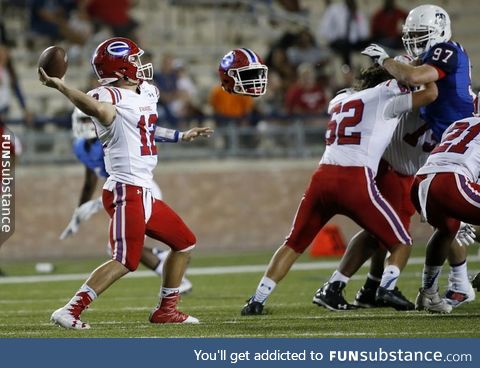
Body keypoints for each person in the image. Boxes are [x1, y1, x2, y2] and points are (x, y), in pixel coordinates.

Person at [40, 37, 213, 329]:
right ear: (120, 69)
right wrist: (61, 85)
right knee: (125, 260)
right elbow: (99, 111)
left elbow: (145, 127)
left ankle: (166, 311)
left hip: (142, 189)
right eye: (132, 60)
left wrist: (181, 136)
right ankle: (69, 310)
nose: (138, 64)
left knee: (184, 243)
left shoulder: (145, 92)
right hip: (125, 189)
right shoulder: (107, 97)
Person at [241, 64, 437, 315]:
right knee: (402, 242)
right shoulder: (386, 98)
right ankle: (386, 288)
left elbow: (358, 99)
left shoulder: (341, 99)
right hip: (354, 178)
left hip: (322, 176)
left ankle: (256, 301)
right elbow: (430, 93)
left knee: (293, 243)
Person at [362, 4, 476, 308]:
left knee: (458, 218)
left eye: (421, 35)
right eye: (411, 35)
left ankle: (457, 283)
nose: (415, 41)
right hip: (446, 145)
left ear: (440, 32)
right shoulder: (427, 55)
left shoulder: (446, 51)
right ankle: (456, 284)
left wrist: (385, 60)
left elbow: (415, 76)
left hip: (462, 139)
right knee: (447, 224)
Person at [61, 106, 193, 295]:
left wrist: (180, 136)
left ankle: (174, 273)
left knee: (122, 250)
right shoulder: (80, 147)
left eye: (89, 120)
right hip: (121, 193)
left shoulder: (112, 136)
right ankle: (165, 262)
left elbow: (144, 135)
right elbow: (90, 180)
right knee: (121, 248)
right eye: (83, 121)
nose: (87, 125)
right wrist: (78, 211)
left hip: (138, 190)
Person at [410, 106, 480, 313]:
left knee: (446, 229)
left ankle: (428, 294)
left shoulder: (459, 124)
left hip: (421, 183)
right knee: (452, 227)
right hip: (453, 183)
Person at [317, 0, 370, 68]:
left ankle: (373, 70)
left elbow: (364, 32)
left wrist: (355, 18)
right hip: (338, 41)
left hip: (354, 42)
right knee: (345, 44)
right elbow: (324, 29)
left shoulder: (357, 11)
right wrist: (335, 37)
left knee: (372, 43)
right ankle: (347, 68)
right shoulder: (334, 9)